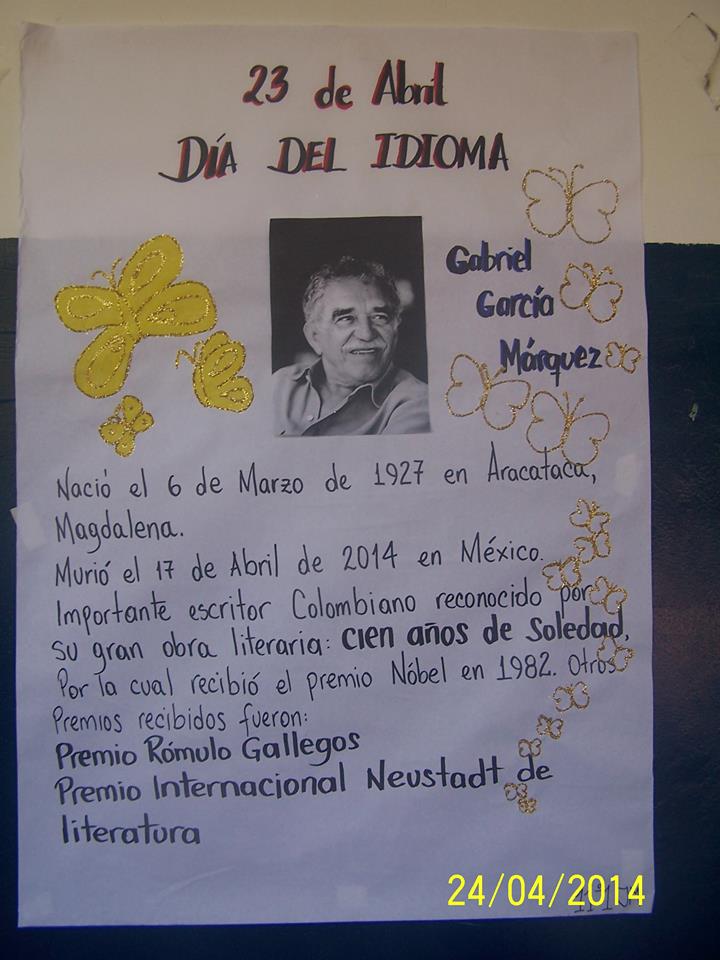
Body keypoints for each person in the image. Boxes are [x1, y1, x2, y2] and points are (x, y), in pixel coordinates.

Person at [273, 257, 430, 436]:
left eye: (379, 317)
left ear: (395, 328)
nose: (366, 334)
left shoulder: (417, 403)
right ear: (315, 337)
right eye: (346, 318)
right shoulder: (279, 385)